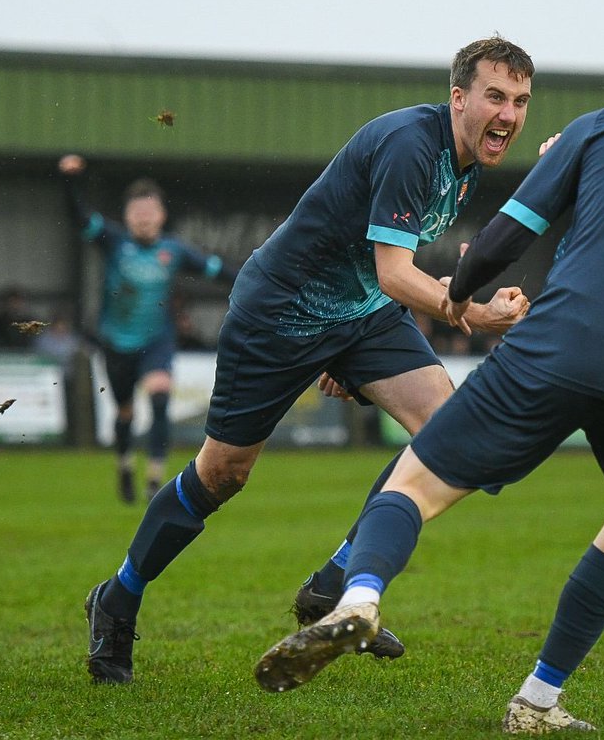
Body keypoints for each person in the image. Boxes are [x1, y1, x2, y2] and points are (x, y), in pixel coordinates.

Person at [251, 10, 604, 734]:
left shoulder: (600, 128)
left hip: (558, 344)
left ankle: (360, 597)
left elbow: (506, 235)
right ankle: (537, 699)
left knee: (416, 481)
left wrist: (460, 297)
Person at [82, 36, 535, 686]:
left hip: (361, 315)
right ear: (459, 97)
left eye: (520, 101)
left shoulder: (464, 163)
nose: (509, 114)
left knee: (454, 438)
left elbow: (380, 269)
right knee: (222, 475)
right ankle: (118, 597)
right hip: (281, 314)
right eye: (496, 96)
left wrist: (353, 351)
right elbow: (395, 271)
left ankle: (334, 586)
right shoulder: (412, 145)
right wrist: (472, 311)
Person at [59, 158, 238, 504]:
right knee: (124, 412)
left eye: (149, 211)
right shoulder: (113, 240)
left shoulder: (173, 250)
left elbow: (216, 270)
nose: (143, 217)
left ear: (161, 215)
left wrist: (258, 276)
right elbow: (78, 216)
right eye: (137, 212)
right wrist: (69, 182)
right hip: (116, 342)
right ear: (127, 216)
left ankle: (155, 479)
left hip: (157, 339)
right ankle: (125, 465)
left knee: (159, 395)